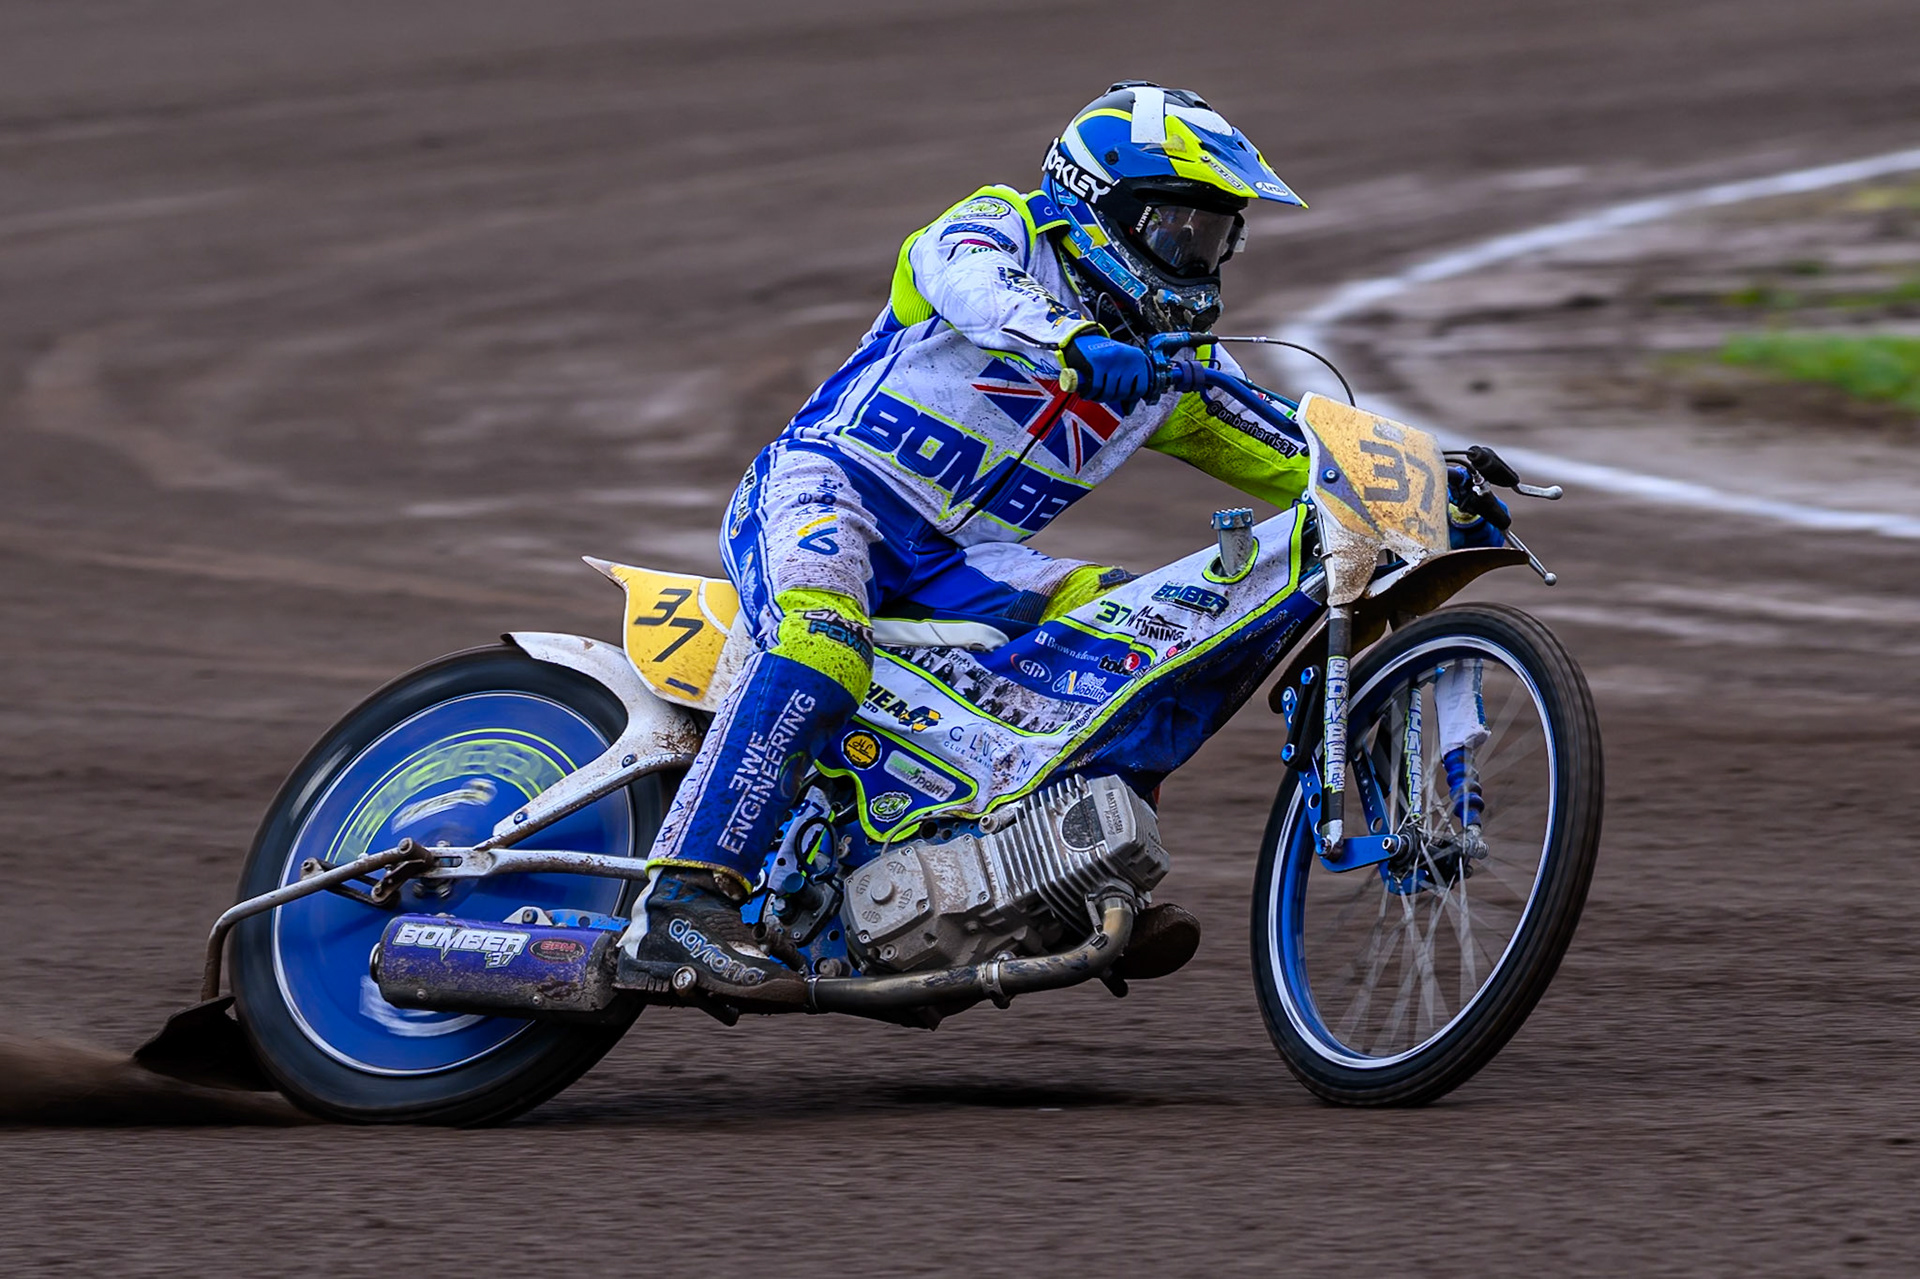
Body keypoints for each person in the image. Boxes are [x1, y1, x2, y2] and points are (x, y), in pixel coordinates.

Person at [621, 81, 1318, 997]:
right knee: (823, 646)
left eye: (1214, 234)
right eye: (1177, 226)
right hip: (833, 493)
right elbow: (970, 281)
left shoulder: (1171, 367)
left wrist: (1437, 467)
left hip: (966, 564)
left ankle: (1071, 865)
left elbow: (1309, 448)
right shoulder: (1003, 227)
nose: (1198, 253)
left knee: (1145, 625)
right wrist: (1068, 338)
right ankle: (678, 908)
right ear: (1098, 201)